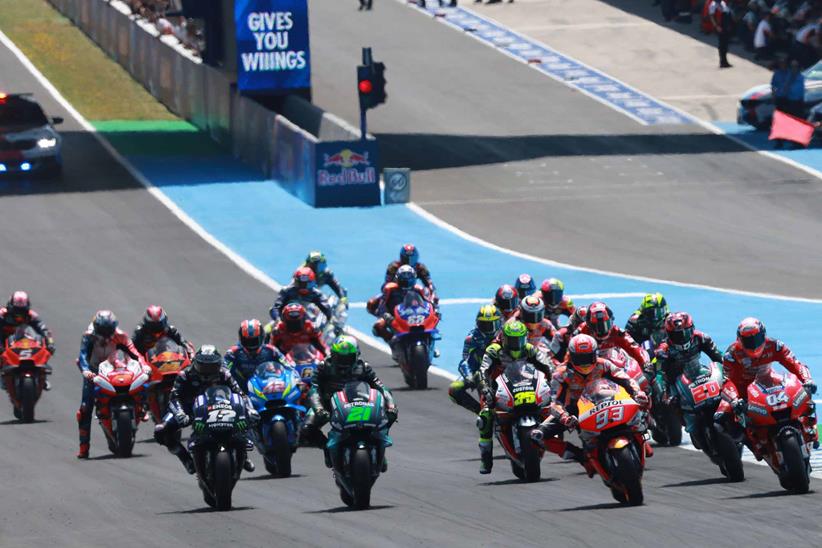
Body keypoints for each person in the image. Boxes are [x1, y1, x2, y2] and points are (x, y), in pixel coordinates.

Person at [531, 334, 650, 474]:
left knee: (644, 399)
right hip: (575, 411)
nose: (585, 363)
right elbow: (553, 401)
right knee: (536, 436)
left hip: (610, 399)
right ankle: (579, 455)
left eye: (588, 357)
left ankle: (641, 432)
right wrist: (564, 416)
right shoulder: (560, 374)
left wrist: (637, 393)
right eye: (580, 359)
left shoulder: (604, 364)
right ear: (571, 356)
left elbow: (626, 379)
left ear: (595, 354)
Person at [154, 345, 258, 474]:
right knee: (161, 430)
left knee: (249, 417)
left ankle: (243, 455)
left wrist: (249, 409)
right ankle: (185, 458)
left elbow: (240, 394)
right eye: (203, 366)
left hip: (219, 405)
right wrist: (180, 413)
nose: (207, 370)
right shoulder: (184, 375)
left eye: (212, 366)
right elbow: (174, 397)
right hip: (189, 408)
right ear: (196, 363)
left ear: (219, 364)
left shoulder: (224, 374)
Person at [715, 318, 817, 445]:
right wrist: (734, 400)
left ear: (764, 335)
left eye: (757, 339)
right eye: (748, 341)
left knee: (805, 397)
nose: (754, 344)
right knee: (720, 420)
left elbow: (795, 364)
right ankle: (747, 444)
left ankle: (811, 432)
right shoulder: (732, 354)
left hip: (768, 380)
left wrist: (807, 380)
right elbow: (727, 381)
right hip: (741, 391)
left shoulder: (775, 345)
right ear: (740, 340)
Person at [302, 336, 398, 467]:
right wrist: (319, 408)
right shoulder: (323, 367)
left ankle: (379, 444)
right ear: (332, 355)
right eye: (339, 357)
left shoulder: (363, 367)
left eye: (347, 358)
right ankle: (327, 448)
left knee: (389, 416)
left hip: (357, 402)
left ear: (356, 355)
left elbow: (381, 388)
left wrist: (391, 406)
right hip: (328, 404)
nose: (343, 362)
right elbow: (314, 390)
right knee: (307, 428)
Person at [476, 320, 553, 474]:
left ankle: (554, 435)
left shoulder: (530, 349)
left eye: (520, 340)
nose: (516, 344)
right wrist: (485, 388)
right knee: (484, 417)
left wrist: (550, 381)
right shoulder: (494, 350)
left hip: (526, 385)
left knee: (552, 407)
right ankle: (486, 457)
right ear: (504, 339)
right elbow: (482, 371)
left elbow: (547, 366)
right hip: (498, 388)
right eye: (512, 340)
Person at [75, 311, 144, 458]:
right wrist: (86, 370)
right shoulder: (88, 336)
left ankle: (142, 408)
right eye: (103, 332)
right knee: (85, 408)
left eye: (109, 331)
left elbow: (134, 352)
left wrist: (144, 365)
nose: (107, 336)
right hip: (94, 372)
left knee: (142, 382)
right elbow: (82, 356)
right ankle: (84, 447)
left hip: (114, 368)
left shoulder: (121, 335)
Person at [652, 312, 723, 401]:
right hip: (676, 384)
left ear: (692, 329)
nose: (682, 338)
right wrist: (663, 393)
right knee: (666, 404)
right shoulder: (663, 349)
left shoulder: (702, 338)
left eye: (686, 332)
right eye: (676, 335)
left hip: (698, 372)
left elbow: (719, 358)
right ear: (668, 334)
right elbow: (659, 375)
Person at [449, 304, 501, 415]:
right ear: (478, 324)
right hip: (479, 372)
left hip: (503, 369)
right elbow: (465, 360)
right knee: (454, 389)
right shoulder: (472, 337)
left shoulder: (504, 334)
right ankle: (480, 412)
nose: (489, 328)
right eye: (485, 325)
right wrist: (469, 377)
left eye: (492, 324)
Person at [0, 291, 55, 390]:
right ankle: (4, 376)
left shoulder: (31, 315)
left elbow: (45, 330)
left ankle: (42, 375)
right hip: (4, 342)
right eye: (16, 312)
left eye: (22, 312)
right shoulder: (2, 315)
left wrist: (50, 343)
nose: (19, 317)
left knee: (43, 348)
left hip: (22, 341)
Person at [577, 302, 651, 373]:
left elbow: (634, 347)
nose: (602, 330)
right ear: (589, 325)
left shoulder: (617, 332)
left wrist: (646, 364)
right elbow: (570, 350)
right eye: (597, 326)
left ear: (611, 321)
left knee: (645, 379)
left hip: (615, 368)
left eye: (606, 324)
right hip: (589, 369)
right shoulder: (581, 331)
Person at [369, 265, 430, 342]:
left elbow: (428, 304)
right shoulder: (389, 289)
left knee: (431, 325)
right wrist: (386, 315)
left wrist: (434, 311)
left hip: (414, 315)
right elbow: (382, 305)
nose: (406, 280)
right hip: (393, 317)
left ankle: (430, 343)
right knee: (378, 326)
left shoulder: (419, 289)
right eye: (403, 277)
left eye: (409, 276)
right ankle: (392, 341)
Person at [224, 319, 290, 387]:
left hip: (266, 386)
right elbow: (223, 368)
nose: (251, 345)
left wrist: (294, 377)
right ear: (241, 339)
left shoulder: (271, 350)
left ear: (261, 337)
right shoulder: (233, 352)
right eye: (247, 341)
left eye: (254, 341)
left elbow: (288, 365)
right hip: (241, 388)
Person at [709, 0, 734, 67]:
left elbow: (727, 13)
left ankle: (725, 61)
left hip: (726, 26)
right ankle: (722, 62)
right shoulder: (713, 4)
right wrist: (716, 26)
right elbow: (712, 16)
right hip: (720, 26)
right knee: (722, 45)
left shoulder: (723, 3)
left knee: (725, 45)